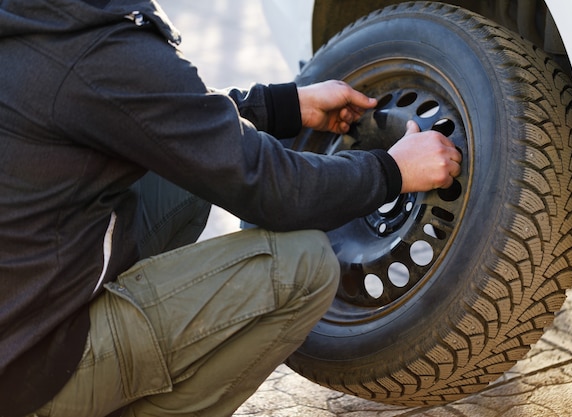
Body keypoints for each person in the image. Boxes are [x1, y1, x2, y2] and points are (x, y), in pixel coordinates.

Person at [0, 0, 462, 416]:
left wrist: (277, 105)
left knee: (188, 175)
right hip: (35, 371)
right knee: (303, 267)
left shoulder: (41, 18)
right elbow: (274, 192)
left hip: (18, 308)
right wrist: (391, 172)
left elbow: (145, 110)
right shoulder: (101, 44)